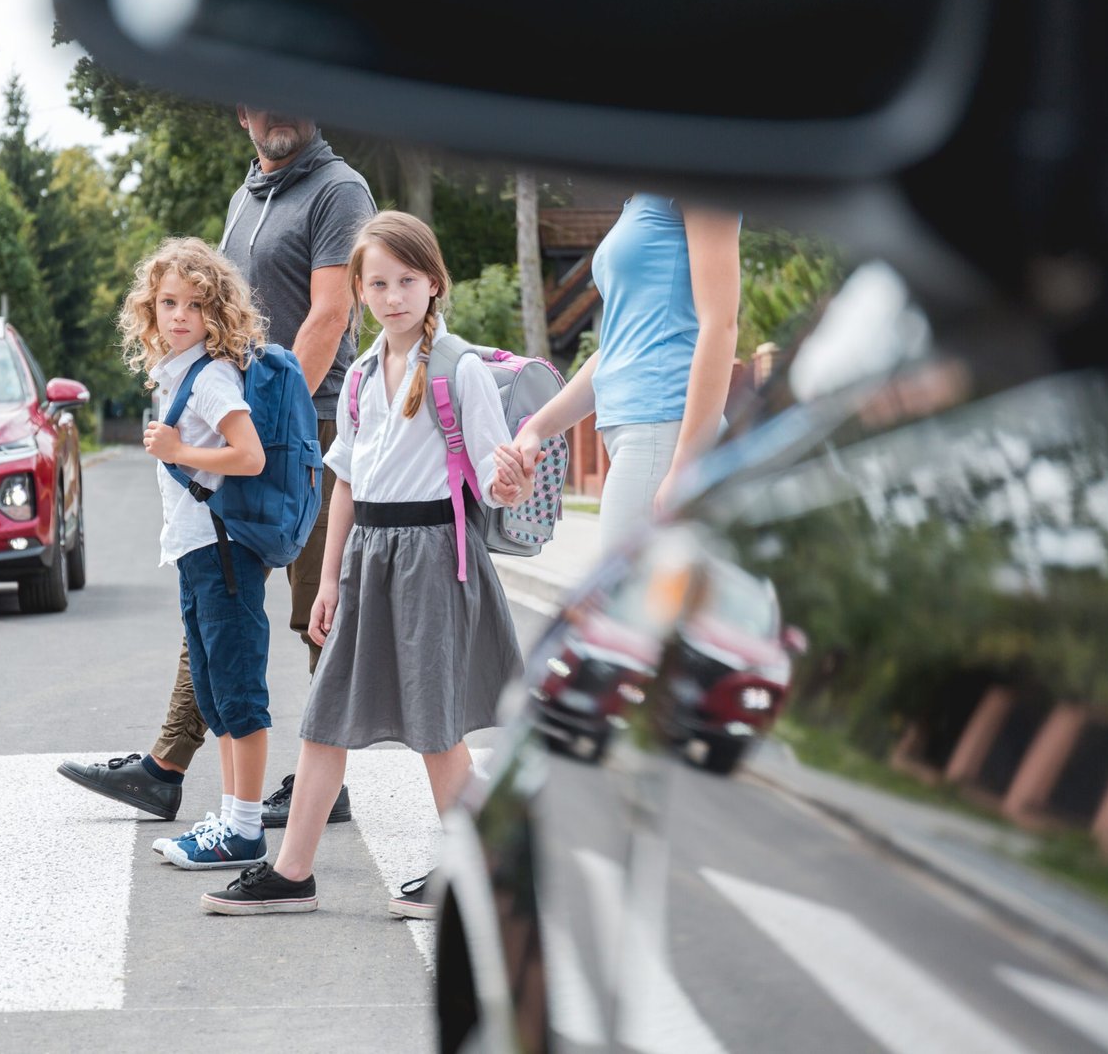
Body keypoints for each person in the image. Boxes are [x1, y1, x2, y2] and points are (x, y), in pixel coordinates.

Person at [200, 210, 534, 916]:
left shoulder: (459, 368)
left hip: (436, 559)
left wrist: (511, 477)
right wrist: (328, 579)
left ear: (434, 283)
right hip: (368, 559)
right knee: (325, 718)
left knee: (435, 729)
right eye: (377, 283)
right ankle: (293, 872)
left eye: (406, 280)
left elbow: (496, 478)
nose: (392, 296)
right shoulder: (356, 377)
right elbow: (344, 483)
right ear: (358, 290)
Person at [58, 108, 376, 825]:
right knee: (217, 589)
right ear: (241, 111)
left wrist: (268, 422)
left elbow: (329, 314)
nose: (278, 112)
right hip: (248, 422)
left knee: (316, 609)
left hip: (308, 427)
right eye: (261, 99)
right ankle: (165, 766)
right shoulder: (247, 198)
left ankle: (325, 777)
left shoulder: (339, 190)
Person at [115, 236, 275, 870]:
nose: (179, 315)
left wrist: (179, 451)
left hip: (223, 551)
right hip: (198, 552)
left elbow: (250, 455)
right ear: (149, 311)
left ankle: (244, 828)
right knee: (214, 695)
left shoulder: (211, 378)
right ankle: (234, 818)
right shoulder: (178, 373)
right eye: (167, 303)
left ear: (218, 312)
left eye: (195, 304)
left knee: (238, 695)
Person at [513, 193, 741, 551]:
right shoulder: (639, 199)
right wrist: (536, 429)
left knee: (621, 602)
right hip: (644, 435)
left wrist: (686, 464)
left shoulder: (698, 179)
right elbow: (616, 351)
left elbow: (721, 325)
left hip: (664, 433)